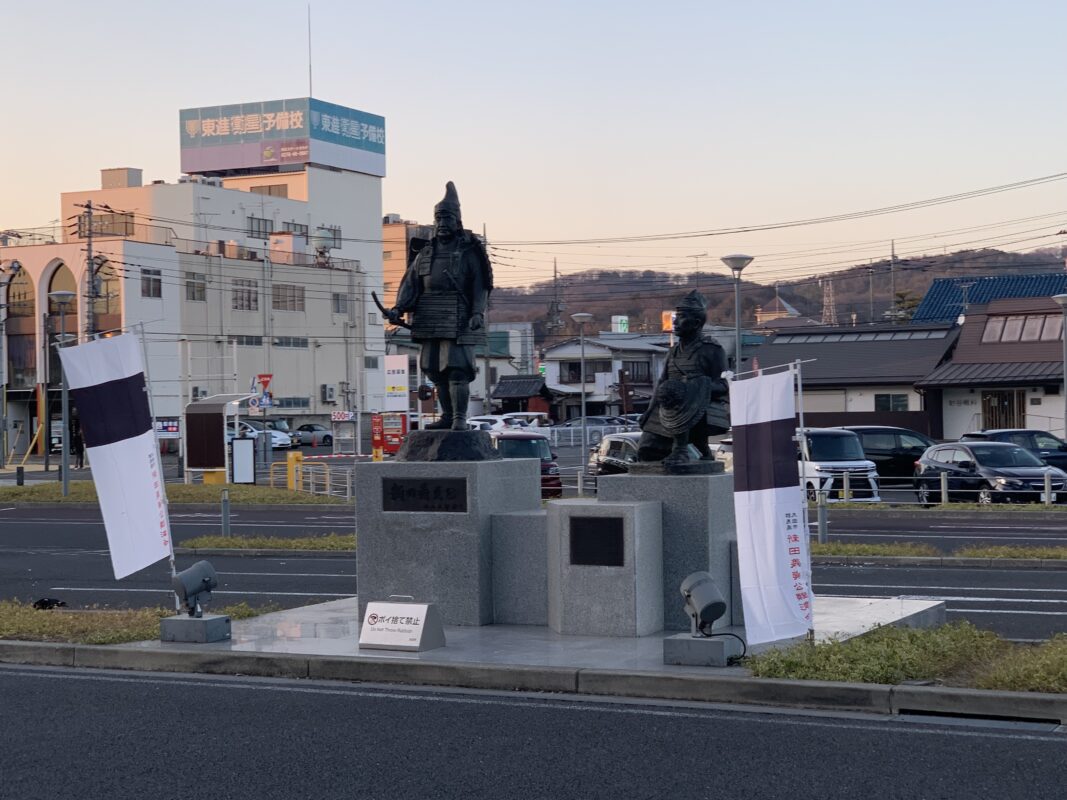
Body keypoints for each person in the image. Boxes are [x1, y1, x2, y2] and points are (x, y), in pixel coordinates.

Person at [387, 182, 493, 431]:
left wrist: (477, 312)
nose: (442, 223)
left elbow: (480, 285)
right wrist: (398, 308)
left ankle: (459, 418)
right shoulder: (425, 253)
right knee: (434, 369)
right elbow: (411, 284)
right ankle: (446, 416)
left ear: (457, 221)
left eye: (447, 218)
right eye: (439, 218)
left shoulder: (469, 252)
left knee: (457, 369)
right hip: (428, 314)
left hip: (459, 314)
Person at [637, 290, 730, 465]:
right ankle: (701, 450)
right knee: (646, 449)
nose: (675, 321)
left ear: (695, 323)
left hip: (699, 408)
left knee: (686, 393)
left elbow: (723, 385)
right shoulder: (673, 352)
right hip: (668, 408)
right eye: (676, 317)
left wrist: (695, 386)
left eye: (681, 317)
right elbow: (662, 382)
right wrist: (649, 411)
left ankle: (681, 450)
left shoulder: (712, 350)